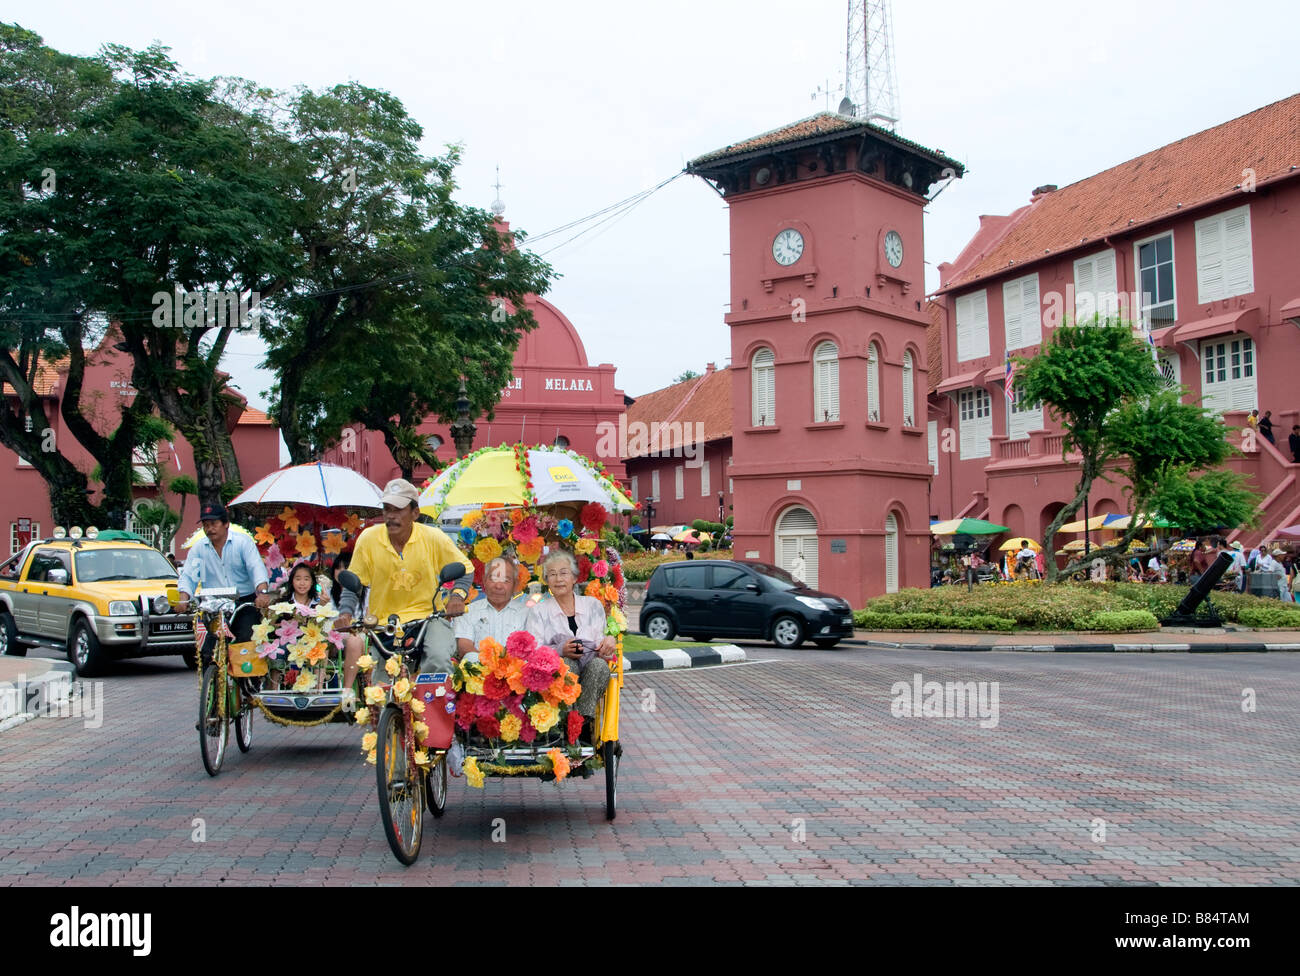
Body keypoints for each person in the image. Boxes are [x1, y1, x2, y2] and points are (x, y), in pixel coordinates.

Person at [334, 479, 472, 697]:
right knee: (380, 691)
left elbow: (465, 569)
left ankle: (433, 718)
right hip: (383, 623)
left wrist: (457, 596)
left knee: (437, 657)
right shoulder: (368, 539)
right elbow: (355, 582)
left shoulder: (433, 537)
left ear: (415, 513)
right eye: (387, 510)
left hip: (427, 618)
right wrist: (345, 613)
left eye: (398, 510)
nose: (391, 516)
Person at [525, 549, 617, 742]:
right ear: (546, 580)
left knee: (600, 666)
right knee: (566, 663)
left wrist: (608, 642)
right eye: (552, 574)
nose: (558, 579)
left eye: (564, 573)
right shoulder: (539, 611)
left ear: (575, 577)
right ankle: (565, 723)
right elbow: (532, 652)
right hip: (555, 676)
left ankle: (583, 724)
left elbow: (602, 640)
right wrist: (559, 650)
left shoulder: (593, 605)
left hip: (591, 670)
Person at [176, 503, 271, 664]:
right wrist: (183, 598)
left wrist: (262, 592)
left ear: (226, 524)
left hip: (242, 602)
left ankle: (247, 685)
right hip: (212, 604)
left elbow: (256, 568)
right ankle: (210, 685)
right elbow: (189, 577)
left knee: (244, 644)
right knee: (207, 652)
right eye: (206, 525)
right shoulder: (199, 548)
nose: (209, 529)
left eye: (214, 524)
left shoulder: (242, 543)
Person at [455, 555, 530, 657]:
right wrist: (487, 664)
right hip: (479, 668)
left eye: (505, 580)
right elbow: (464, 646)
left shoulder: (527, 613)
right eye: (494, 579)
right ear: (484, 580)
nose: (498, 586)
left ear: (515, 584)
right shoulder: (469, 611)